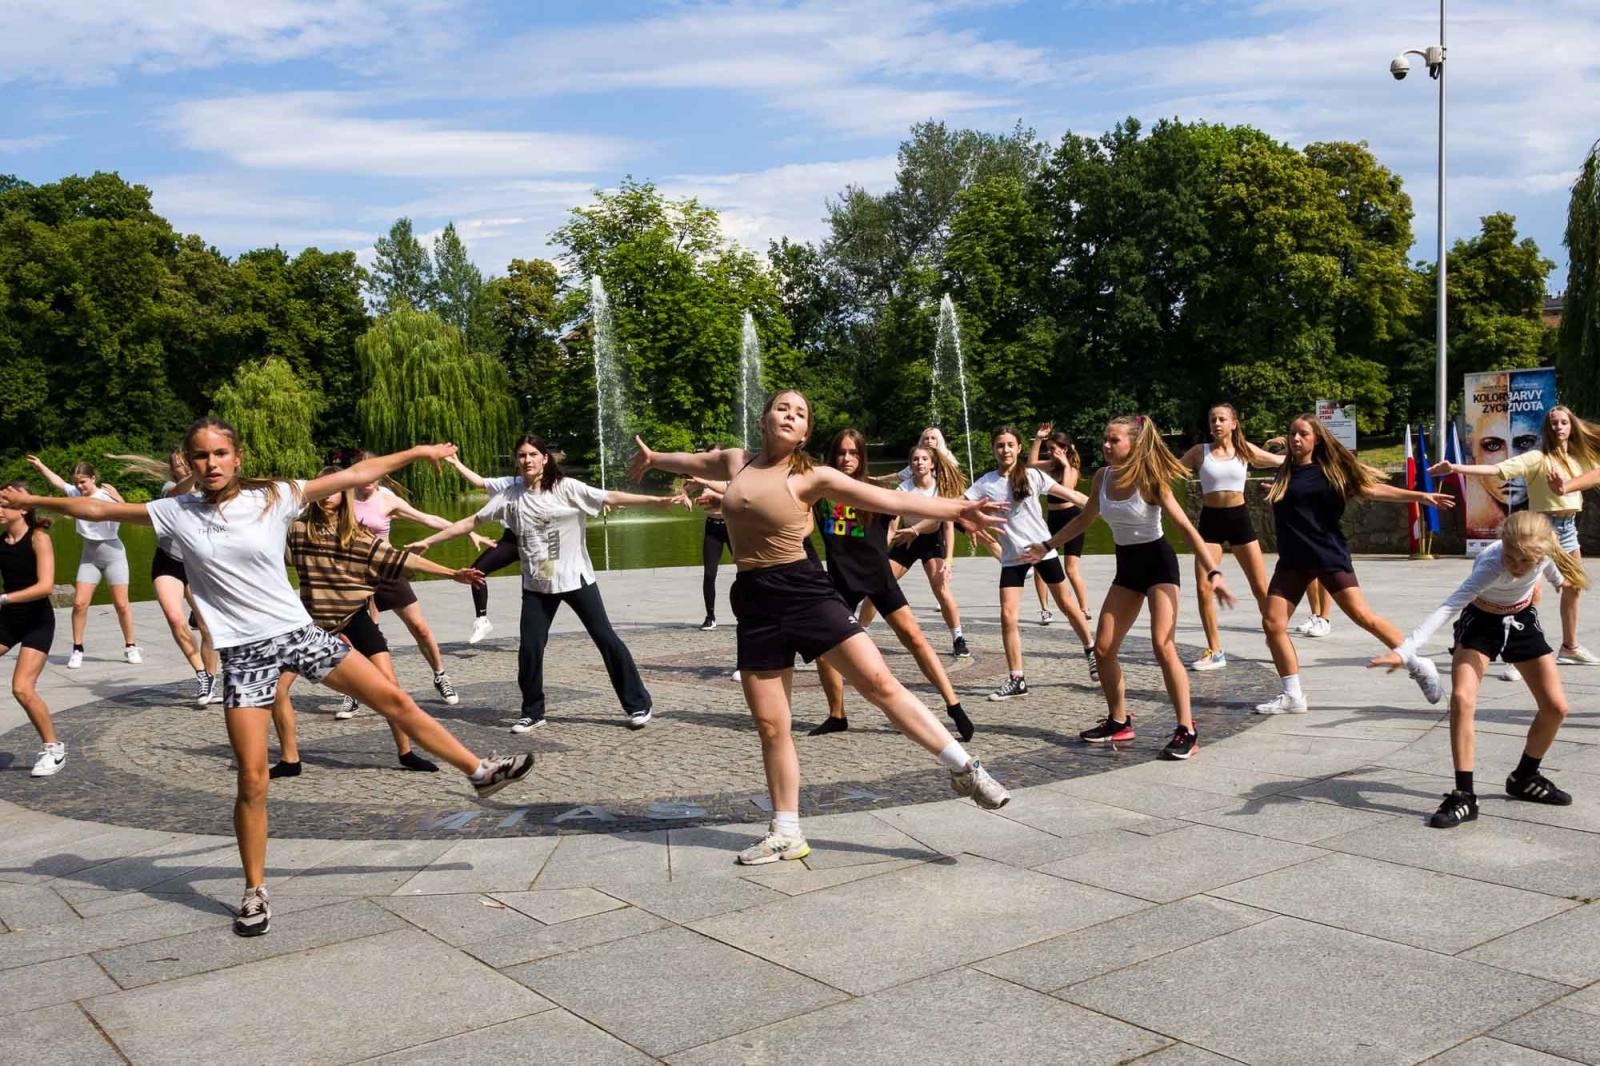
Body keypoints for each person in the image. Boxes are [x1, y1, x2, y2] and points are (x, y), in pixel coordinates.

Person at [0, 422, 534, 939]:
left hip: (299, 633)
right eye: (200, 456)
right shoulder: (175, 511)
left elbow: (354, 476)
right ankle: (254, 891)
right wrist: (35, 503)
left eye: (219, 454)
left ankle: (479, 771)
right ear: (190, 462)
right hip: (245, 656)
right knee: (253, 780)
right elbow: (95, 507)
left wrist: (415, 454)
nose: (210, 464)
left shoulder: (274, 496)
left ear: (238, 458)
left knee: (393, 698)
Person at [629, 390, 1011, 866]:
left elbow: (888, 497)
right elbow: (693, 459)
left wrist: (957, 510)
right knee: (772, 725)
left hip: (806, 591)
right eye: (782, 408)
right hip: (754, 600)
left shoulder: (811, 475)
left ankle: (964, 768)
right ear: (765, 417)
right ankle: (785, 831)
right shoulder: (736, 463)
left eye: (801, 413)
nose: (791, 415)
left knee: (878, 683)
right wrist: (654, 457)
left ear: (806, 432)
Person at [414, 435, 678, 733]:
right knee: (530, 647)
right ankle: (533, 712)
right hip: (537, 585)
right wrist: (428, 540)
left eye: (532, 454)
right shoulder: (510, 495)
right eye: (521, 455)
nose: (526, 460)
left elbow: (610, 497)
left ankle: (638, 704)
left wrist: (657, 501)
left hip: (575, 578)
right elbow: (470, 522)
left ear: (545, 459)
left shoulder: (566, 488)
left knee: (606, 639)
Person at [1025, 415, 1235, 759]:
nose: (1106, 446)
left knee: (1162, 645)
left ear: (1133, 444)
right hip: (1128, 569)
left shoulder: (1150, 480)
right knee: (1104, 648)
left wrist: (1214, 571)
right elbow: (1084, 519)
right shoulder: (1102, 479)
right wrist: (1048, 546)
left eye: (1114, 441)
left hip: (1159, 566)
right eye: (1105, 440)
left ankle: (1187, 729)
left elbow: (1184, 526)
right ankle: (1119, 721)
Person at [1369, 511, 1586, 827]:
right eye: (1511, 557)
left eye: (1526, 562)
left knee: (1556, 707)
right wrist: (1403, 652)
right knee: (1462, 699)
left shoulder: (1544, 552)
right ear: (1503, 544)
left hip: (1521, 621)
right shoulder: (1491, 565)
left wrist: (1557, 581)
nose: (1516, 567)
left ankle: (1525, 777)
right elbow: (1448, 607)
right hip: (1480, 624)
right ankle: (1464, 796)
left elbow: (1554, 572)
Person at [270, 467, 490, 778]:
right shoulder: (296, 531)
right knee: (277, 689)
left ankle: (405, 752)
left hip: (353, 618)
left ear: (345, 493)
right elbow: (265, 556)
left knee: (389, 689)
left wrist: (452, 573)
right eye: (322, 487)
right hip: (311, 625)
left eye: (333, 488)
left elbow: (403, 560)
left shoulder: (358, 537)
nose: (326, 494)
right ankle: (290, 760)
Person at [1252, 413, 1456, 716]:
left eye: (1303, 434)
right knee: (1272, 623)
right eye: (1292, 433)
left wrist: (1419, 497)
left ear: (1317, 438)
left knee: (1364, 616)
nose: (1296, 439)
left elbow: (1373, 490)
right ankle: (1293, 695)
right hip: (1293, 559)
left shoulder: (1330, 472)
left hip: (1326, 554)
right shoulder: (1285, 471)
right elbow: (1257, 459)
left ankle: (1417, 663)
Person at [794, 429, 973, 741]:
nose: (846, 459)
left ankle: (954, 705)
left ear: (862, 457)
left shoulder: (872, 491)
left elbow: (921, 510)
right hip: (841, 579)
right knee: (824, 650)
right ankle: (837, 714)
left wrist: (957, 516)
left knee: (914, 638)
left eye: (853, 453)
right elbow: (804, 522)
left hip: (878, 575)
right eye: (841, 453)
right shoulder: (821, 495)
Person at [1434, 405, 1600, 665]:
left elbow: (1596, 474)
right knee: (1530, 590)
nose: (1559, 427)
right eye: (1554, 423)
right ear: (1547, 428)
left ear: (1572, 426)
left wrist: (1565, 486)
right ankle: (1516, 652)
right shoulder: (1537, 458)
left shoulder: (1580, 457)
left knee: (1573, 587)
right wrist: (1456, 467)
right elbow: (1499, 469)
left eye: (1564, 422)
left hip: (1568, 527)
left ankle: (1569, 646)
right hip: (1541, 529)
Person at [348, 453, 492, 710]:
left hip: (389, 570)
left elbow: (428, 519)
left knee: (420, 628)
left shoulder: (388, 500)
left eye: (373, 471)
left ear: (380, 472)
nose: (368, 477)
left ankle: (440, 675)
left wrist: (469, 532)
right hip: (355, 575)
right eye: (363, 470)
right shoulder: (343, 498)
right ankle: (353, 691)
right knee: (362, 635)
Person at [966, 425, 1095, 702]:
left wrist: (1105, 506)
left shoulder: (1034, 475)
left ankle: (1091, 649)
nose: (1005, 450)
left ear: (1019, 448)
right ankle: (1017, 678)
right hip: (1013, 557)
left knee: (1067, 604)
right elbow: (957, 508)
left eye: (1010, 445)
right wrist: (973, 524)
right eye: (1000, 445)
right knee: (1007, 615)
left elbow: (1072, 495)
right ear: (993, 449)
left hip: (1042, 549)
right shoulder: (985, 483)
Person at [1176, 404, 1284, 671]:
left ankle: (1276, 639)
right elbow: (1170, 470)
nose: (1216, 423)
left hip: (1239, 520)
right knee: (1204, 587)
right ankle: (1215, 651)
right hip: (1210, 523)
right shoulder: (1199, 452)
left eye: (1222, 419)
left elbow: (1279, 461)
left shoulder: (1245, 449)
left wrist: (1312, 456)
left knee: (1260, 588)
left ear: (1234, 423)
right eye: (1212, 419)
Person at [111, 450, 222, 703]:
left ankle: (211, 680)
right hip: (167, 562)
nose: (181, 468)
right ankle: (201, 674)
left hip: (196, 566)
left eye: (186, 464)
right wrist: (195, 476)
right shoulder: (170, 489)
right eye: (177, 465)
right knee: (174, 618)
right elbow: (177, 494)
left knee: (207, 626)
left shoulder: (209, 491)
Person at [25, 455, 139, 667]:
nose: (79, 486)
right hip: (90, 555)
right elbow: (57, 481)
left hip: (113, 553)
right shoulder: (76, 495)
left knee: (122, 604)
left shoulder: (106, 495)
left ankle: (130, 646)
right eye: (77, 482)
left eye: (83, 482)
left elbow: (131, 513)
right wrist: (41, 466)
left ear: (93, 478)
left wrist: (120, 499)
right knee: (79, 603)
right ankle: (77, 649)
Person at [865, 443, 970, 658]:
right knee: (878, 584)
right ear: (910, 464)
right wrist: (880, 553)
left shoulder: (941, 488)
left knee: (940, 588)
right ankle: (860, 632)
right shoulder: (903, 489)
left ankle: (958, 638)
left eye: (924, 459)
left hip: (932, 541)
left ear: (932, 464)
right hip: (906, 540)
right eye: (915, 459)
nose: (919, 463)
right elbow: (893, 526)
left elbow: (946, 524)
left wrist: (949, 560)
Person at [1, 480, 65, 777]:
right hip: (8, 621)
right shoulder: (2, 542)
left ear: (23, 508)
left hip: (36, 622)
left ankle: (54, 750)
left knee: (22, 688)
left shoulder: (39, 538)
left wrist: (4, 598)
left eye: (4, 503)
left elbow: (45, 587)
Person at [442, 453, 522, 644]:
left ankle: (535, 631)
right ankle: (482, 619)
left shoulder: (550, 483)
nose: (527, 462)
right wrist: (456, 463)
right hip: (511, 540)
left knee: (537, 589)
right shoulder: (510, 483)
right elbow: (479, 482)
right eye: (522, 458)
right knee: (476, 572)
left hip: (538, 543)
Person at [1027, 424, 1092, 628]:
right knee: (1040, 565)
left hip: (1071, 517)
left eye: (1054, 448)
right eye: (1049, 448)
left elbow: (1066, 490)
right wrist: (1038, 439)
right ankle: (1045, 609)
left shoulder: (1071, 469)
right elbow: (1030, 466)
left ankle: (1084, 609)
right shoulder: (1049, 466)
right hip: (1053, 519)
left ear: (1064, 449)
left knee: (1071, 569)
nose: (1051, 452)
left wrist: (1064, 466)